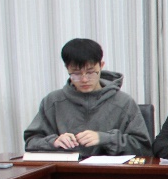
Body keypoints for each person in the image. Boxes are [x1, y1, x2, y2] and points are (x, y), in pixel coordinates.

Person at [23, 38, 152, 157]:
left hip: (110, 172)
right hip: (65, 171)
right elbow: (31, 142)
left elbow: (143, 148)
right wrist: (54, 142)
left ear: (101, 65)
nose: (84, 79)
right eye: (76, 73)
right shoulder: (53, 102)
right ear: (67, 68)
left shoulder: (123, 102)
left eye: (90, 72)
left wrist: (105, 139)